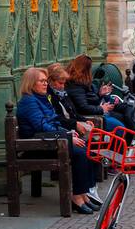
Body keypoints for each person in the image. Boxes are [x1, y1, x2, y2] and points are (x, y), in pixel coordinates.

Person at [15, 66, 98, 214]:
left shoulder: (41, 98)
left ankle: (83, 194)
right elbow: (42, 127)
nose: (45, 84)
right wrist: (67, 137)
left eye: (46, 81)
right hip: (37, 147)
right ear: (31, 83)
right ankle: (76, 197)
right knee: (80, 153)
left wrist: (68, 133)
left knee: (87, 149)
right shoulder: (29, 101)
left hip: (49, 142)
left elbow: (54, 122)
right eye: (41, 81)